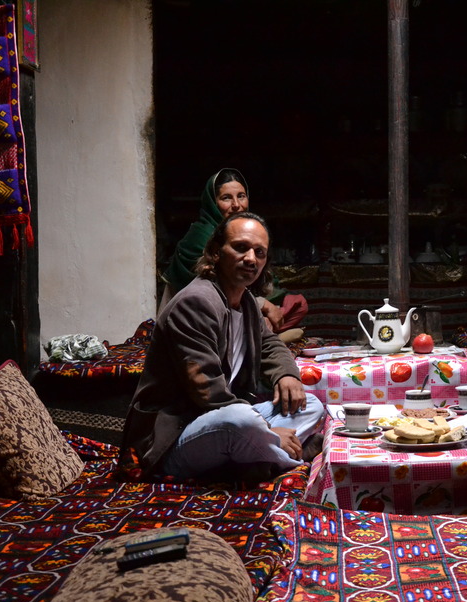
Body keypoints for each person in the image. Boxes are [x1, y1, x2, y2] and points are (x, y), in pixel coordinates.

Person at [121, 212, 325, 483]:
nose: (251, 258)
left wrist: (287, 374)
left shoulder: (248, 302)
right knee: (241, 421)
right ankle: (284, 458)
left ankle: (255, 457)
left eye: (259, 252)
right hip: (173, 436)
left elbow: (269, 343)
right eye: (240, 247)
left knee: (309, 404)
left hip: (215, 419)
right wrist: (270, 431)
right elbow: (207, 390)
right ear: (216, 252)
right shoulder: (196, 302)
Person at [159, 168, 307, 334]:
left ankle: (262, 335)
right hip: (201, 315)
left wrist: (272, 301)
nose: (237, 205)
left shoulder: (248, 232)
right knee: (261, 321)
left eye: (241, 196)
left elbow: (259, 279)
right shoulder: (202, 237)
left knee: (296, 303)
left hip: (239, 302)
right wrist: (262, 304)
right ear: (212, 203)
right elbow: (216, 291)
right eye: (226, 198)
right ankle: (261, 337)